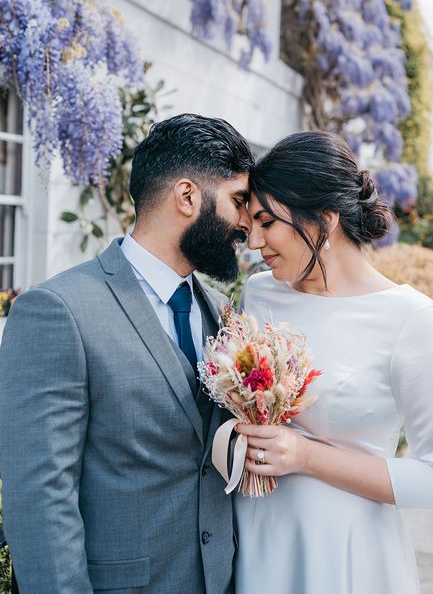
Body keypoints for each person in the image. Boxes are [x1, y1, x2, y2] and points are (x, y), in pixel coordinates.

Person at [0, 113, 253, 593]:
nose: (245, 222)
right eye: (238, 201)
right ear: (187, 197)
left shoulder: (222, 312)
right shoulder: (58, 312)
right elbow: (40, 499)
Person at [234, 131, 433, 594]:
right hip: (257, 534)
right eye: (250, 226)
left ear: (324, 219)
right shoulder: (258, 293)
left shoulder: (410, 318)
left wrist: (305, 456)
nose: (254, 242)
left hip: (346, 551)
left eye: (266, 223)